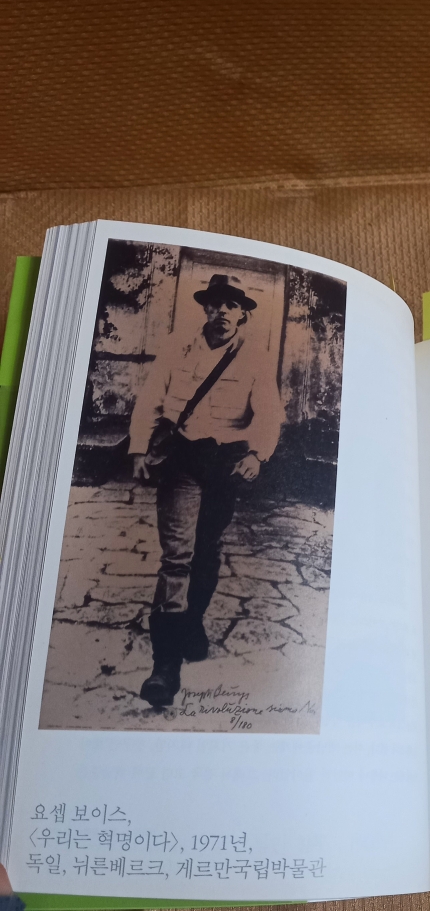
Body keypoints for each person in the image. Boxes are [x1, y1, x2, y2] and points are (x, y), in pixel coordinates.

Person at [129, 274, 284, 707]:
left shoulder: (255, 358)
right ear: (206, 309)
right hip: (181, 459)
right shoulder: (178, 347)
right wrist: (139, 447)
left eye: (231, 305)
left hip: (223, 465)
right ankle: (165, 666)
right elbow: (151, 397)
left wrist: (257, 455)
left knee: (207, 550)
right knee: (177, 557)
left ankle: (192, 620)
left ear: (243, 313)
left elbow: (269, 412)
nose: (222, 312)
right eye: (215, 304)